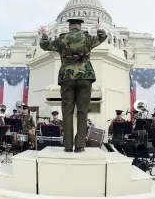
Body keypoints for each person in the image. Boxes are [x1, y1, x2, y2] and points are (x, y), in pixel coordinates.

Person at [39, 19, 107, 152]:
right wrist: (99, 27)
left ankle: (68, 146)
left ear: (69, 27)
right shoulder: (87, 38)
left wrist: (44, 33)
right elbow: (102, 37)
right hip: (85, 77)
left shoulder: (62, 39)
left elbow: (45, 45)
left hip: (67, 78)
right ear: (80, 27)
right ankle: (80, 145)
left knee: (67, 112)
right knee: (82, 111)